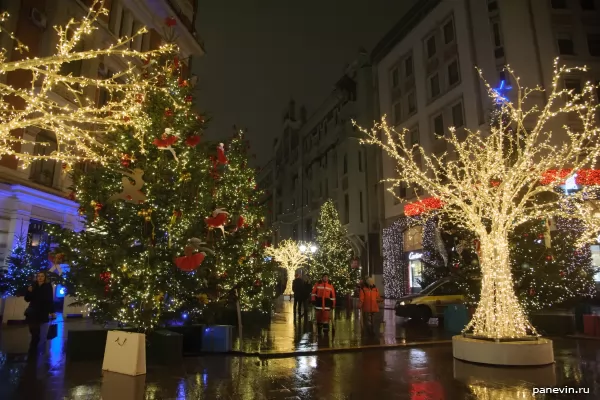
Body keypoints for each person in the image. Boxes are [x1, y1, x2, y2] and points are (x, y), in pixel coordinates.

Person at [24, 270, 55, 355]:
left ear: (45, 278)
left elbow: (50, 299)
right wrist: (29, 291)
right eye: (38, 276)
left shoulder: (48, 286)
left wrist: (52, 311)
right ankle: (33, 349)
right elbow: (27, 299)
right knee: (33, 331)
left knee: (38, 332)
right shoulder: (33, 286)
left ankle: (35, 350)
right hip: (32, 311)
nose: (40, 278)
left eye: (42, 276)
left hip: (42, 311)